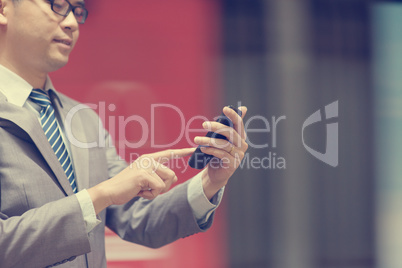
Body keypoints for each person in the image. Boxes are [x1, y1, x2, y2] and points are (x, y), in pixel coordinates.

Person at [0, 0, 248, 267]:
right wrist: (99, 196)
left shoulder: (84, 120)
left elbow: (139, 219)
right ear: (4, 8)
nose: (72, 22)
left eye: (77, 10)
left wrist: (211, 181)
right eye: (58, 5)